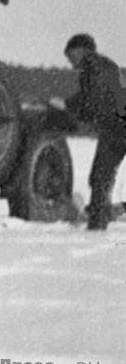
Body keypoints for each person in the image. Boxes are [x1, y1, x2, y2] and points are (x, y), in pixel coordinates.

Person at [63, 33, 126, 231]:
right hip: (115, 128)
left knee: (100, 177)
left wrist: (66, 106)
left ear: (82, 50)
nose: (70, 61)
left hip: (117, 130)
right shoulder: (101, 67)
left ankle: (97, 224)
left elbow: (94, 101)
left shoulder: (95, 70)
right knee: (100, 177)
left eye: (71, 55)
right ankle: (99, 217)